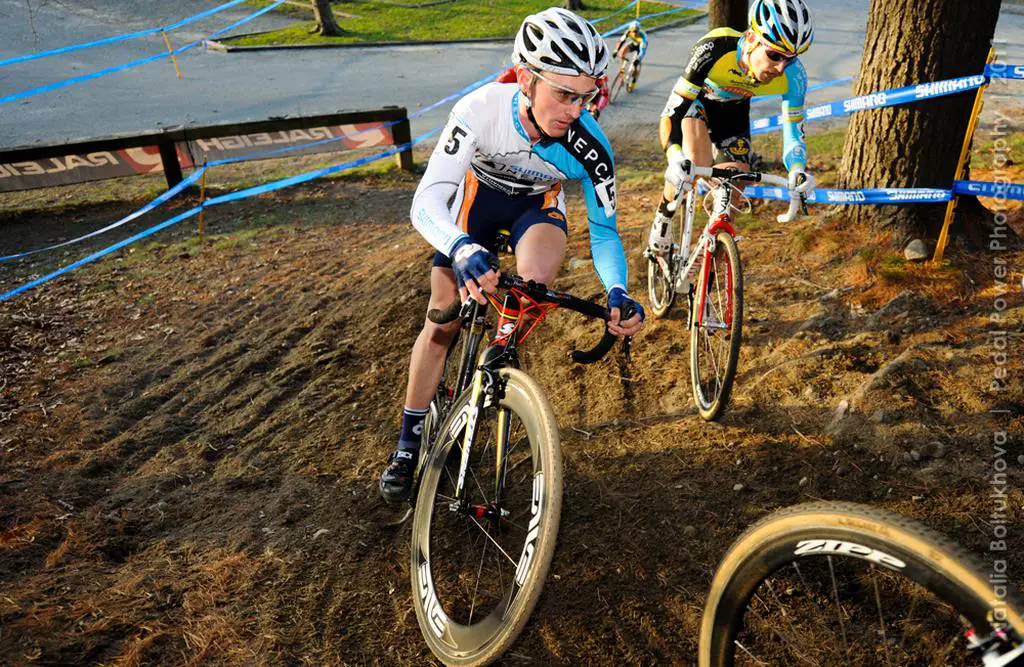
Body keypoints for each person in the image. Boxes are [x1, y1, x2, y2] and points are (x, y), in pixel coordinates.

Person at [379, 7, 645, 504]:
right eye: (564, 94)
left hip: (536, 208)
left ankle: (490, 374)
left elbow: (605, 234)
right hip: (475, 201)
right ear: (526, 78)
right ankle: (408, 445)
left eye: (586, 97)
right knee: (441, 322)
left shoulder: (591, 147)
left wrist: (617, 291)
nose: (575, 110)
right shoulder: (480, 110)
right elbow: (426, 202)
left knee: (530, 289)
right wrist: (459, 247)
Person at [648, 0, 817, 254]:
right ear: (751, 39)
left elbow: (794, 129)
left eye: (790, 59)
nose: (781, 67)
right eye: (774, 55)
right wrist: (674, 155)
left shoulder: (795, 77)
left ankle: (714, 268)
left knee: (735, 185)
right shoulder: (715, 48)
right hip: (698, 104)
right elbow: (672, 112)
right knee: (694, 164)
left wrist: (797, 168)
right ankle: (664, 217)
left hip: (734, 114)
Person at [614, 19, 648, 92]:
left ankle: (634, 80)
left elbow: (642, 52)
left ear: (639, 30)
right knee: (622, 52)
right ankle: (622, 69)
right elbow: (621, 41)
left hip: (640, 48)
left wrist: (638, 59)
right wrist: (616, 50)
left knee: (635, 64)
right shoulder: (628, 32)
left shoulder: (643, 38)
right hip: (634, 44)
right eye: (633, 31)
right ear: (630, 30)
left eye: (636, 31)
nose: (634, 33)